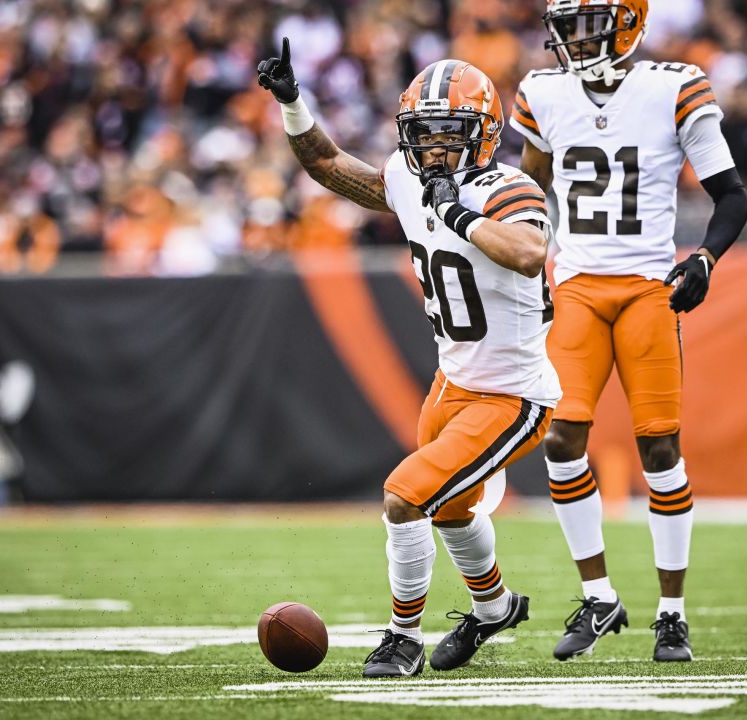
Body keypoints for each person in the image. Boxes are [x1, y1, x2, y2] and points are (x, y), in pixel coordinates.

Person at [258, 41, 560, 677]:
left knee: (404, 496)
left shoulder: (508, 187)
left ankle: (402, 637)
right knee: (451, 508)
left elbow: (529, 253)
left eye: (451, 136)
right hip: (452, 381)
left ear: (484, 136)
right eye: (424, 135)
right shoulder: (408, 176)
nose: (435, 150)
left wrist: (455, 211)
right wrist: (291, 102)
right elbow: (328, 165)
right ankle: (496, 607)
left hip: (514, 393)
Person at [512, 0, 747, 662]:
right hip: (579, 287)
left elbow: (732, 196)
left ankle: (671, 613)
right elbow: (526, 196)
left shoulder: (674, 86)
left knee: (659, 452)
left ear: (629, 23)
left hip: (648, 287)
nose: (575, 40)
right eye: (568, 26)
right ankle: (598, 599)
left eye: (589, 24)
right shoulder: (542, 92)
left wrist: (704, 256)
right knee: (561, 439)